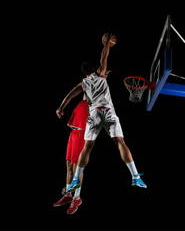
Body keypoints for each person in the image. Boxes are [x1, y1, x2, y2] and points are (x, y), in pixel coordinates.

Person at [56, 33, 147, 194]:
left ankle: (75, 179)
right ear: (96, 70)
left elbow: (69, 95)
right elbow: (104, 56)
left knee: (87, 147)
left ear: (85, 74)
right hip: (109, 112)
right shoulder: (101, 73)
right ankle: (135, 176)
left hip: (94, 114)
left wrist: (61, 108)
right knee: (120, 142)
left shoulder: (83, 83)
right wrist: (106, 45)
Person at [53, 97, 89, 214]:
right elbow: (73, 92)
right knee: (68, 166)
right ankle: (68, 194)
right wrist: (61, 107)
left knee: (77, 168)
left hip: (82, 136)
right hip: (73, 134)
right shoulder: (84, 97)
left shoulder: (97, 101)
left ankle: (77, 198)